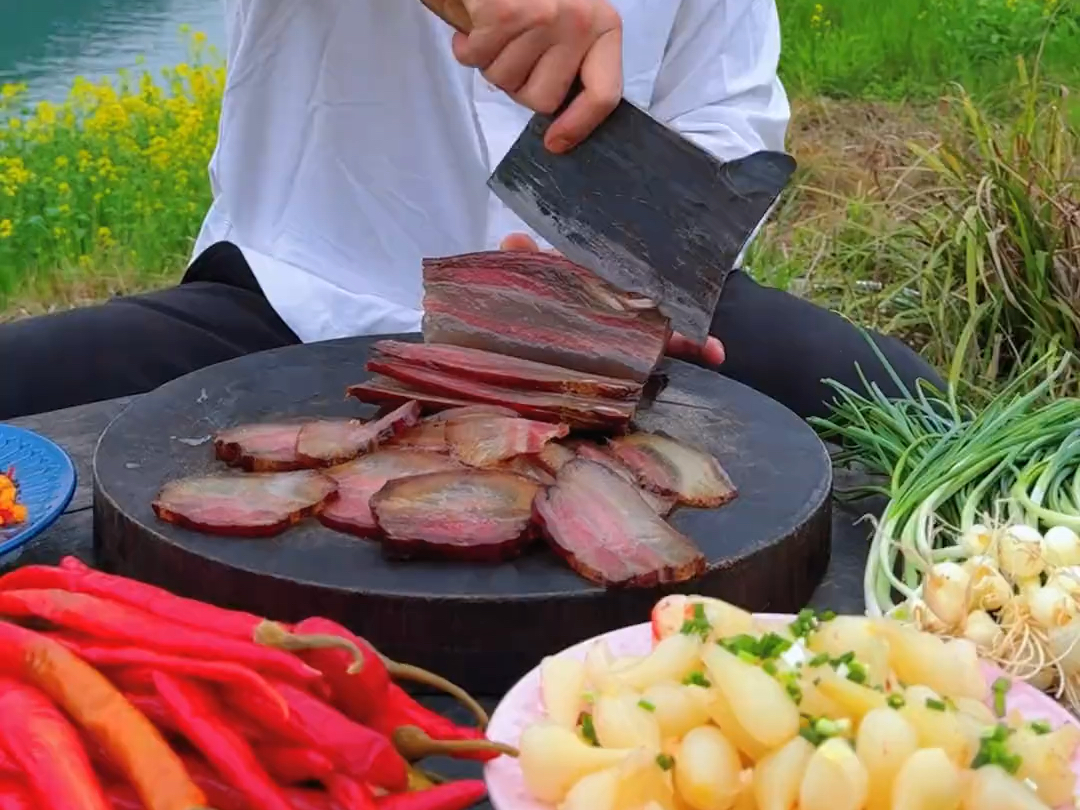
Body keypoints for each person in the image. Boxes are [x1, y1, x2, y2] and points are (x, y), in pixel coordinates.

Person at [0, 0, 941, 422]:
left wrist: (631, 288)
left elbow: (727, 112)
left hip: (611, 313)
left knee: (916, 412)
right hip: (302, 297)